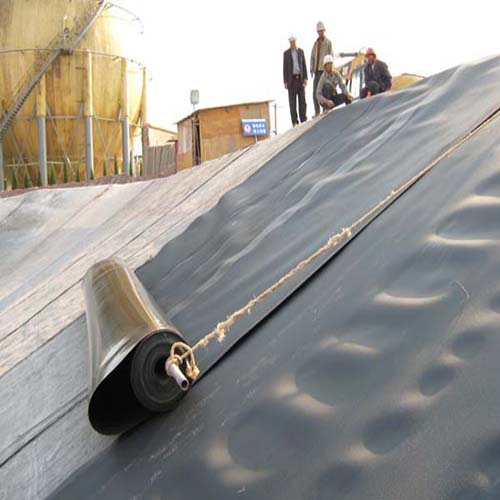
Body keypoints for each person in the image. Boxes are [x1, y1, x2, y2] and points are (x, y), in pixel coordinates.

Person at [283, 35, 308, 126]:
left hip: (300, 79)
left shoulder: (300, 51)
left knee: (302, 101)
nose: (292, 43)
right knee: (292, 103)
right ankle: (294, 121)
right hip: (291, 80)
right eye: (291, 42)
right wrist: (285, 81)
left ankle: (303, 119)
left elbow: (304, 65)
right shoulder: (286, 53)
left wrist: (305, 78)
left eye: (293, 41)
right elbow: (285, 68)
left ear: (295, 41)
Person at [310, 21, 333, 117]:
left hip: (324, 70)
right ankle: (317, 111)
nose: (320, 33)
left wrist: (330, 68)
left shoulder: (328, 43)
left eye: (321, 31)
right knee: (315, 92)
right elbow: (312, 57)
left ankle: (325, 109)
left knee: (324, 90)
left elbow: (331, 56)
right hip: (316, 71)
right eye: (319, 31)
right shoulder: (315, 44)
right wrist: (311, 69)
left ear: (324, 31)